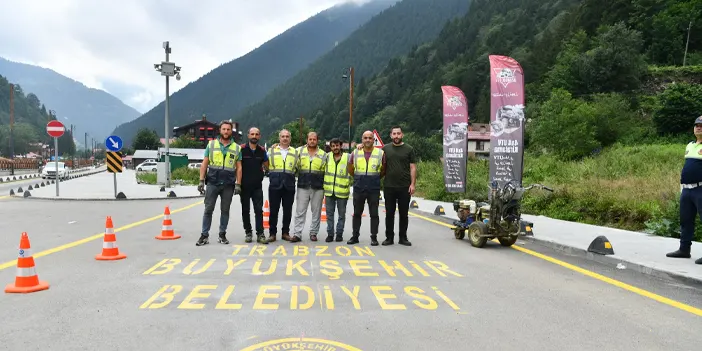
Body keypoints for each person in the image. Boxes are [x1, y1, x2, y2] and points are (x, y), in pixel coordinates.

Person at [196, 120, 242, 246]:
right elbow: (204, 163)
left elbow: (239, 168)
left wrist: (238, 184)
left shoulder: (237, 148)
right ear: (220, 130)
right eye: (224, 129)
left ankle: (222, 235)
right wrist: (201, 181)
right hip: (212, 182)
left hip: (228, 184)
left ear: (231, 131)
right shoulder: (211, 145)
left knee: (225, 210)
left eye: (228, 129)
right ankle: (204, 235)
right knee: (208, 210)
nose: (226, 131)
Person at [666, 116, 702, 264]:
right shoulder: (690, 145)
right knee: (685, 220)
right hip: (687, 190)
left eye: (701, 126)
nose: (698, 127)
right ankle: (684, 249)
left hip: (700, 189)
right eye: (696, 125)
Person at [347, 130, 385, 246]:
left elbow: (383, 170)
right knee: (357, 213)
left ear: (373, 140)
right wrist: (359, 178)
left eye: (370, 138)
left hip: (373, 188)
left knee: (374, 214)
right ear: (362, 140)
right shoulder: (355, 152)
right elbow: (350, 168)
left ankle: (374, 237)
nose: (368, 140)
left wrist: (374, 178)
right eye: (365, 138)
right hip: (359, 187)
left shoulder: (380, 153)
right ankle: (355, 236)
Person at [382, 126, 416, 246]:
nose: (396, 136)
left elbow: (412, 167)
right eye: (394, 134)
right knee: (389, 213)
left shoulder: (409, 149)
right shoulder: (385, 149)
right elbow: (373, 154)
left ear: (402, 135)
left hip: (404, 186)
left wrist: (412, 184)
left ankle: (403, 238)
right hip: (389, 186)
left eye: (398, 134)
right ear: (391, 135)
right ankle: (389, 238)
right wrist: (360, 146)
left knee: (403, 214)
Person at [290, 132, 327, 242]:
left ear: (317, 140)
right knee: (300, 211)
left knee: (316, 211)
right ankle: (297, 234)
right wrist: (276, 145)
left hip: (318, 187)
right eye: (310, 139)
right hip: (303, 185)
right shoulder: (299, 152)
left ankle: (313, 233)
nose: (312, 141)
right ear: (307, 140)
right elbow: (287, 150)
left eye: (314, 139)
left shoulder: (324, 154)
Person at [266, 129, 299, 243]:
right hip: (275, 184)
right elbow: (265, 164)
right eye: (283, 136)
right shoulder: (271, 151)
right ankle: (272, 233)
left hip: (289, 186)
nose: (285, 138)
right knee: (273, 210)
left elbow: (298, 166)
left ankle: (285, 233)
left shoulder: (295, 152)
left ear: (290, 138)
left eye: (287, 136)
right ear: (279, 138)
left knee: (287, 211)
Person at [240, 127, 269, 244]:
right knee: (245, 210)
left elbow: (267, 166)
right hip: (244, 186)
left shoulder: (262, 151)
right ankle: (248, 232)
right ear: (248, 135)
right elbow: (238, 167)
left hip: (257, 186)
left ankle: (260, 234)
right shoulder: (241, 149)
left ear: (259, 136)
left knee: (258, 210)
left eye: (257, 134)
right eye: (252, 134)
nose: (254, 136)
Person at [323, 138, 351, 242]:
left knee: (341, 215)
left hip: (342, 192)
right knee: (329, 215)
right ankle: (330, 234)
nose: (335, 148)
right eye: (333, 146)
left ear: (341, 146)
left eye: (337, 146)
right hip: (329, 191)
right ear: (330, 147)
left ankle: (339, 234)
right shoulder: (326, 157)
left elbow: (358, 156)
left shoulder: (348, 157)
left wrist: (359, 146)